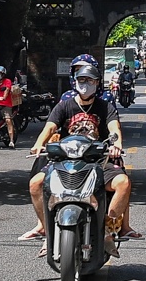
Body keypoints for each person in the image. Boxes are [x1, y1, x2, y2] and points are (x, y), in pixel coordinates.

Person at [21, 53, 138, 243]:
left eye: (90, 80)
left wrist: (116, 145)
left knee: (123, 183)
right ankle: (45, 228)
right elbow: (50, 127)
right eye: (81, 79)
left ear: (97, 82)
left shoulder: (105, 105)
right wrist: (38, 144)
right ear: (74, 80)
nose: (85, 83)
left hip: (98, 159)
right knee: (36, 183)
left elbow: (114, 127)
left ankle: (110, 229)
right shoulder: (65, 104)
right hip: (65, 159)